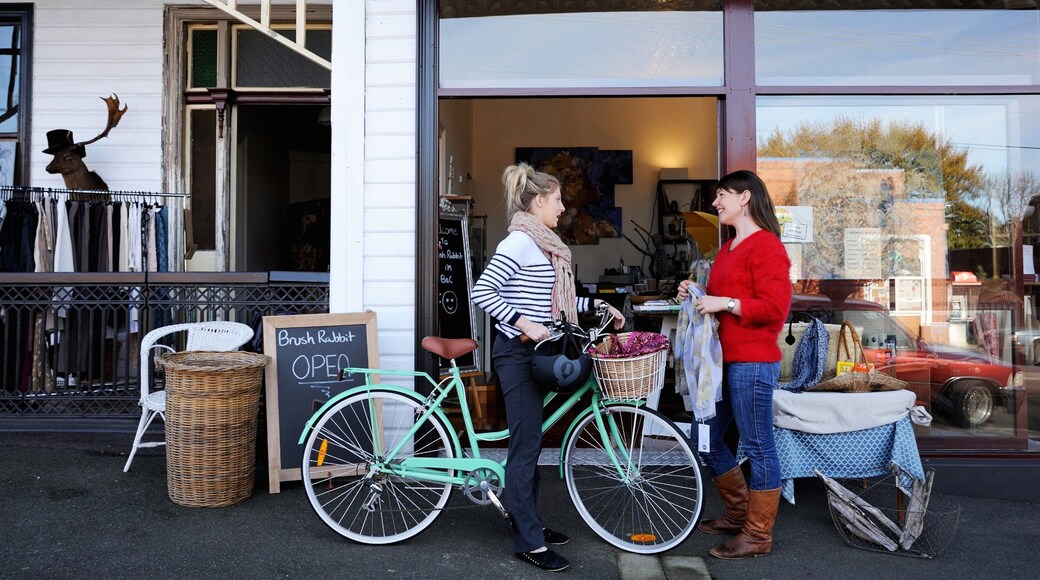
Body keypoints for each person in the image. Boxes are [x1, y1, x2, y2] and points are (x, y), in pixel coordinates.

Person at [472, 162, 624, 572]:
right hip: (517, 353)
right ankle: (528, 542)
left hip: (539, 351)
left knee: (532, 442)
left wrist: (598, 306)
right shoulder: (519, 242)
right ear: (538, 201)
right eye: (557, 200)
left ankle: (529, 520)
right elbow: (481, 291)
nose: (562, 207)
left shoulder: (546, 244)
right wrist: (524, 324)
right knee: (525, 447)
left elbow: (559, 303)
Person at [677, 169, 791, 559]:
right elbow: (723, 296)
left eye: (721, 194)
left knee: (759, 447)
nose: (715, 203)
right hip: (721, 364)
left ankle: (758, 536)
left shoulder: (768, 247)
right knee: (703, 436)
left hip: (753, 363)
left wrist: (722, 303)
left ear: (744, 197)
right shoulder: (727, 250)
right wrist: (697, 292)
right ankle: (740, 513)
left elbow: (775, 308)